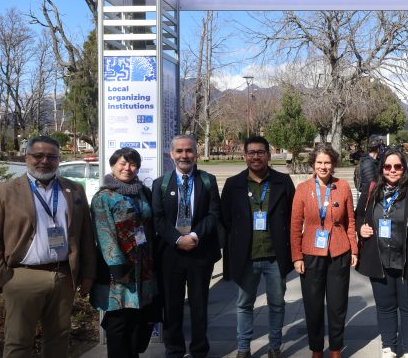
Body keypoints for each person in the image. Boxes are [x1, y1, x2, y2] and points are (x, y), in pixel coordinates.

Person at [0, 135, 96, 358]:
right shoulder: (3, 192)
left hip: (63, 276)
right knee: (19, 342)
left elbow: (85, 236)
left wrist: (87, 273)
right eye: (38, 155)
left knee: (59, 338)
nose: (45, 161)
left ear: (59, 160)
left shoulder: (74, 190)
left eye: (51, 156)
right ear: (26, 157)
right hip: (22, 276)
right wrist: (3, 277)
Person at [356, 148, 408, 358]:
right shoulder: (372, 190)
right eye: (388, 166)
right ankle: (389, 346)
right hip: (379, 260)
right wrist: (361, 228)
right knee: (385, 307)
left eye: (397, 166)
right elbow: (359, 216)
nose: (393, 170)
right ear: (381, 168)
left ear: (404, 168)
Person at [221, 136, 296, 358]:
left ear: (269, 155)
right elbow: (225, 220)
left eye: (260, 152)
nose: (256, 156)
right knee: (244, 304)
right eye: (251, 152)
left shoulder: (283, 182)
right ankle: (243, 348)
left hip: (275, 255)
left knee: (277, 303)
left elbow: (293, 217)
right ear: (245, 156)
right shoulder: (233, 184)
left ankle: (274, 346)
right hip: (246, 255)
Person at [152, 134, 222, 358]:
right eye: (180, 151)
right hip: (171, 254)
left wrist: (193, 235)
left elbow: (213, 214)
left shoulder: (208, 181)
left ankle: (199, 349)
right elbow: (158, 219)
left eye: (189, 150)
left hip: (200, 253)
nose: (185, 155)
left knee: (199, 305)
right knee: (172, 306)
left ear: (196, 153)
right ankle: (174, 350)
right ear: (172, 155)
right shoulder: (160, 184)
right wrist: (177, 239)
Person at [291, 143, 358, 358]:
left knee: (338, 307)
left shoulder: (344, 187)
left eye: (327, 162)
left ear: (334, 164)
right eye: (319, 162)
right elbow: (294, 226)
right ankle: (317, 349)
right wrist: (297, 256)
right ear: (312, 164)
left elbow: (350, 222)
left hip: (339, 252)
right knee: (313, 306)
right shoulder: (303, 189)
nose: (323, 166)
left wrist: (354, 249)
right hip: (311, 253)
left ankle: (336, 349)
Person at [90, 147, 158, 358]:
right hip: (117, 273)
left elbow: (149, 228)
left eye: (133, 164)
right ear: (113, 165)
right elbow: (105, 234)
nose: (128, 168)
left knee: (137, 322)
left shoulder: (142, 193)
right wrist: (119, 268)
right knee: (118, 322)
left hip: (143, 268)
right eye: (123, 163)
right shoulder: (104, 197)